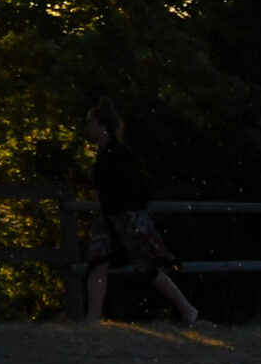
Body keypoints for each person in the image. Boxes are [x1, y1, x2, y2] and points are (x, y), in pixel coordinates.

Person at [82, 100, 204, 329]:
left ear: (102, 126)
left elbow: (132, 190)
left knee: (144, 267)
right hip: (110, 219)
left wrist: (117, 208)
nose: (87, 127)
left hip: (123, 219)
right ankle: (92, 321)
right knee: (98, 264)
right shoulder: (105, 154)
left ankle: (188, 310)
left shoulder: (117, 155)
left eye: (91, 123)